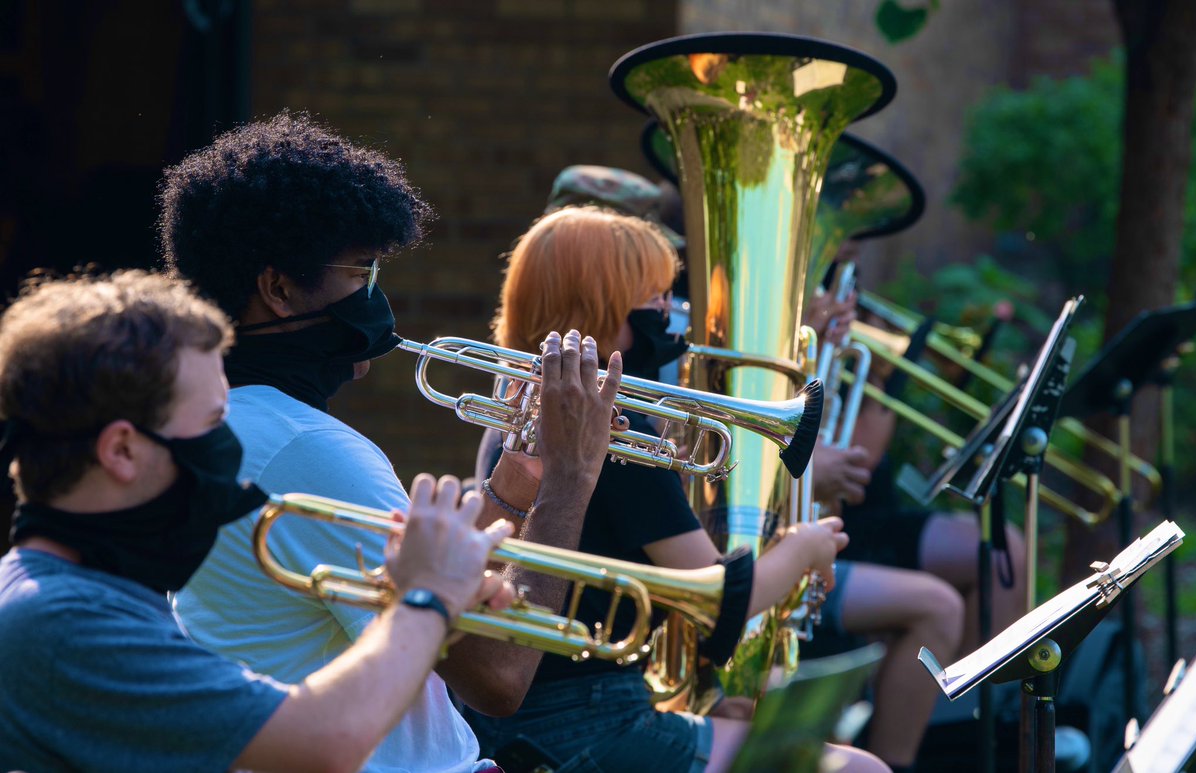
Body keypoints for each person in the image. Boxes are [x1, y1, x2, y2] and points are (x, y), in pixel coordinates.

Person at [160, 112, 622, 772]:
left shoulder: (221, 424)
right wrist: (572, 477)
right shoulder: (308, 450)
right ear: (279, 288)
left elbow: (423, 592)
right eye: (361, 272)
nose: (376, 296)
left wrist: (516, 486)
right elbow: (499, 675)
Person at [0, 270, 516, 773]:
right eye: (213, 423)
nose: (228, 443)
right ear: (122, 450)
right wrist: (424, 600)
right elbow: (322, 745)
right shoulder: (64, 620)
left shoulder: (77, 594)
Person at [463, 205, 887, 773]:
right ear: (599, 303)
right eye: (654, 296)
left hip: (535, 715)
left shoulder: (515, 411)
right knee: (862, 770)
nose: (669, 311)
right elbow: (720, 599)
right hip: (588, 720)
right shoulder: (610, 429)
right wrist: (806, 547)